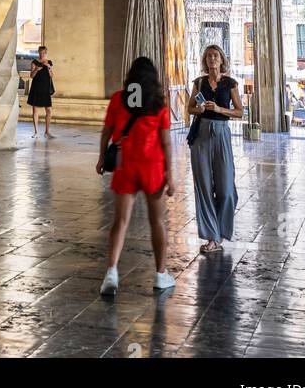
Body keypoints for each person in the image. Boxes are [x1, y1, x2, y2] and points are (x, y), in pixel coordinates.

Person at [96, 56, 175, 296]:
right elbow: (166, 142)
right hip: (152, 167)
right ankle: (161, 274)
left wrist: (101, 158)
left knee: (120, 221)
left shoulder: (119, 99)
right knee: (157, 222)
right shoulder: (158, 102)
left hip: (125, 165)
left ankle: (111, 271)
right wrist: (170, 173)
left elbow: (106, 133)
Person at [187, 45, 242, 254]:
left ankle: (221, 229)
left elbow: (239, 112)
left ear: (221, 60)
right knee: (203, 186)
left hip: (221, 133)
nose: (212, 59)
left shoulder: (230, 83)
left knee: (226, 188)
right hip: (201, 134)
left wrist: (219, 109)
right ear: (205, 60)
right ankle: (212, 237)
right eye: (208, 56)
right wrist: (198, 109)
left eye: (215, 56)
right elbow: (189, 108)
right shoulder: (199, 82)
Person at [28, 46, 54, 138]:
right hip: (36, 88)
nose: (42, 54)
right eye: (40, 52)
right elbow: (31, 76)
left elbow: (51, 76)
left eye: (43, 53)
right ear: (38, 52)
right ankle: (36, 132)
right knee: (35, 110)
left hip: (46, 89)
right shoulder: (34, 62)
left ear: (46, 53)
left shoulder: (49, 62)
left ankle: (47, 132)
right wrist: (36, 69)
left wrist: (49, 68)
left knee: (49, 110)